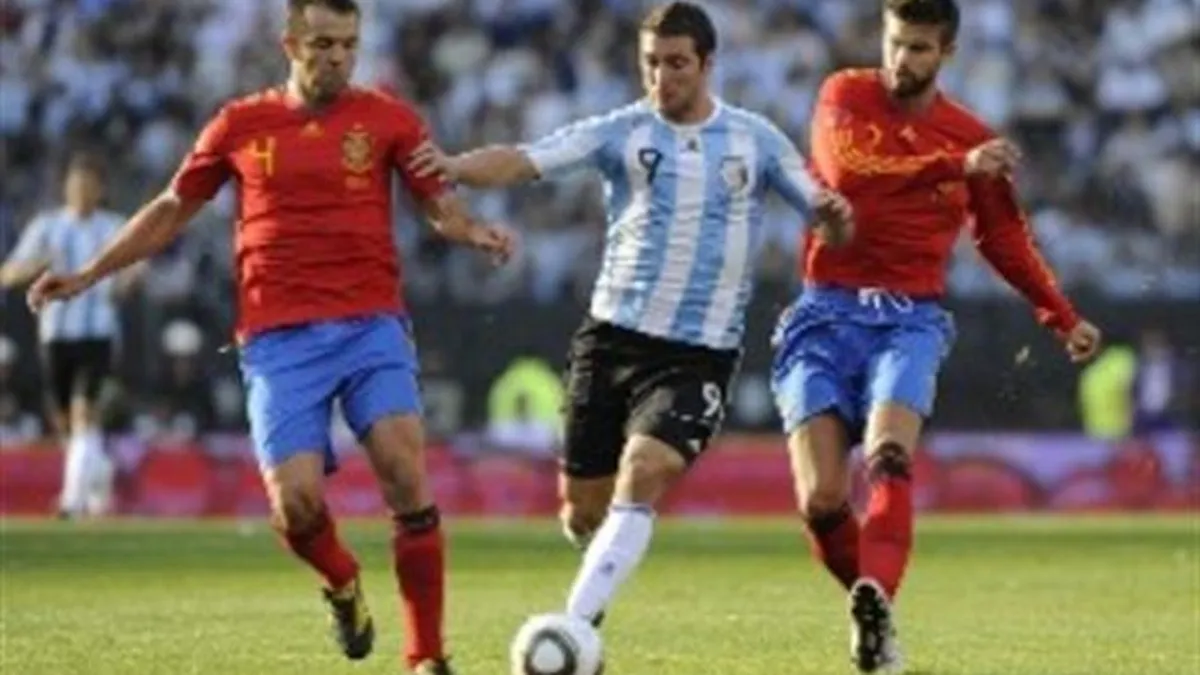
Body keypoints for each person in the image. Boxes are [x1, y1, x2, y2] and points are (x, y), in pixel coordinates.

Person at [26, 2, 514, 674]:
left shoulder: (389, 118)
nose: (337, 57)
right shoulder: (238, 124)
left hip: (371, 323)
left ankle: (426, 655)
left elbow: (438, 203)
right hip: (278, 338)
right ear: (290, 44)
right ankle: (342, 580)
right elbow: (171, 208)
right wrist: (88, 273)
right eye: (322, 43)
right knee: (296, 506)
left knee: (405, 470)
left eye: (348, 44)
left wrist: (471, 229)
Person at [409, 1, 852, 632]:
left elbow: (821, 210)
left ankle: (574, 628)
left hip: (698, 352)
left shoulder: (755, 140)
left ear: (707, 65)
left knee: (645, 470)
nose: (661, 77)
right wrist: (456, 167)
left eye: (676, 63)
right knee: (582, 513)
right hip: (611, 339)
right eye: (651, 63)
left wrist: (833, 217)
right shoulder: (622, 131)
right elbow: (528, 158)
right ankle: (591, 599)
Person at [768, 1, 1103, 672]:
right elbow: (850, 175)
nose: (902, 60)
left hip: (909, 319)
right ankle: (876, 615)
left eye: (919, 48)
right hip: (824, 313)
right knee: (822, 498)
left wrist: (1060, 314)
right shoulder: (845, 95)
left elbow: (1003, 238)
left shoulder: (971, 135)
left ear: (946, 52)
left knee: (890, 455)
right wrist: (956, 165)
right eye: (895, 43)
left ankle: (875, 597)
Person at [1, 152, 134, 519]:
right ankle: (99, 467)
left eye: (89, 185)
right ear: (65, 188)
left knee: (83, 413)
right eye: (77, 185)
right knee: (65, 422)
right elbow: (8, 273)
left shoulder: (113, 226)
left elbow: (135, 267)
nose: (82, 191)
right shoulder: (47, 227)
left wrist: (124, 283)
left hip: (98, 333)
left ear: (101, 189)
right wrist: (35, 266)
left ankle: (71, 501)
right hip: (56, 334)